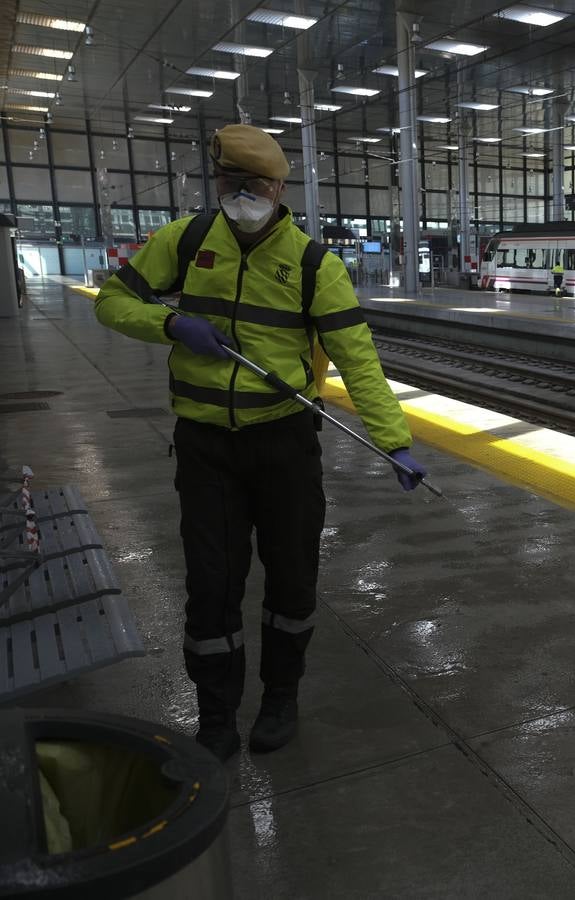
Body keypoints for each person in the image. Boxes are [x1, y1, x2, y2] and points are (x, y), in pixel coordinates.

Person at [94, 124, 428, 761]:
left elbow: (359, 360)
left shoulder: (313, 265)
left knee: (293, 577)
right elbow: (111, 303)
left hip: (284, 448)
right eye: (231, 183)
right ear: (215, 184)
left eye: (257, 185)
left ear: (280, 188)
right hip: (205, 448)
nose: (243, 195)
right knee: (212, 583)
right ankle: (215, 714)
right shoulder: (183, 241)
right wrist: (169, 322)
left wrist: (395, 442)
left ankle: (280, 697)